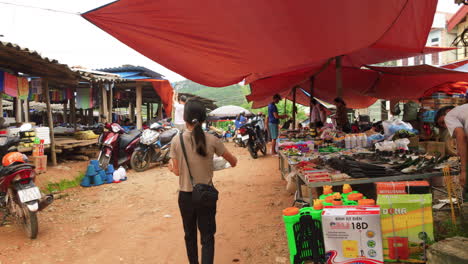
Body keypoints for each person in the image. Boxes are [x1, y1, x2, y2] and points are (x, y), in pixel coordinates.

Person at [168, 100, 237, 264]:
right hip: (206, 195)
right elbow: (233, 161)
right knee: (207, 237)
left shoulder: (176, 141)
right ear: (204, 118)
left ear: (184, 118)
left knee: (189, 235)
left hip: (186, 196)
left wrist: (172, 169)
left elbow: (177, 172)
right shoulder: (212, 140)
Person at [436, 104, 468, 197]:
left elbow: (461, 136)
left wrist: (464, 171)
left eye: (442, 122)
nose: (446, 126)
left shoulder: (450, 115)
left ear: (447, 112)